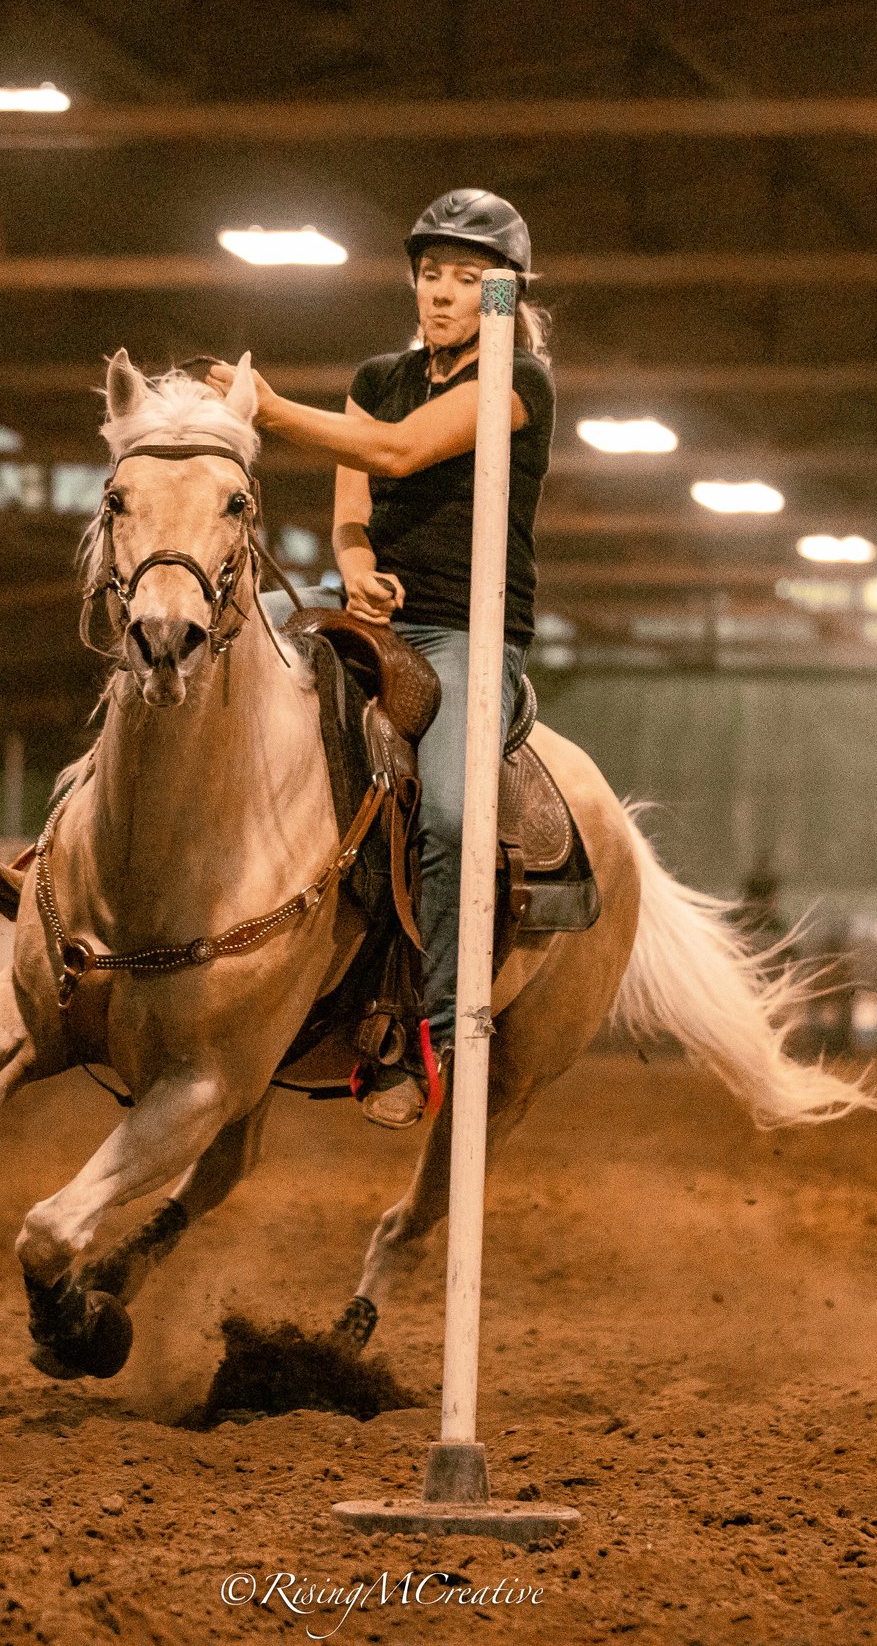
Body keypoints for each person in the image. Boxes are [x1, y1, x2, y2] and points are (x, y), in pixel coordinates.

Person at [206, 188, 555, 1129]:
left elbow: (398, 454)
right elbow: (353, 506)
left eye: (467, 278)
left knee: (443, 809)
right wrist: (356, 572)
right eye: (431, 273)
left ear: (504, 294)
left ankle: (431, 1031)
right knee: (228, 687)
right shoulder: (376, 375)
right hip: (372, 625)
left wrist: (270, 409)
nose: (442, 293)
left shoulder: (518, 380)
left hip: (470, 631)